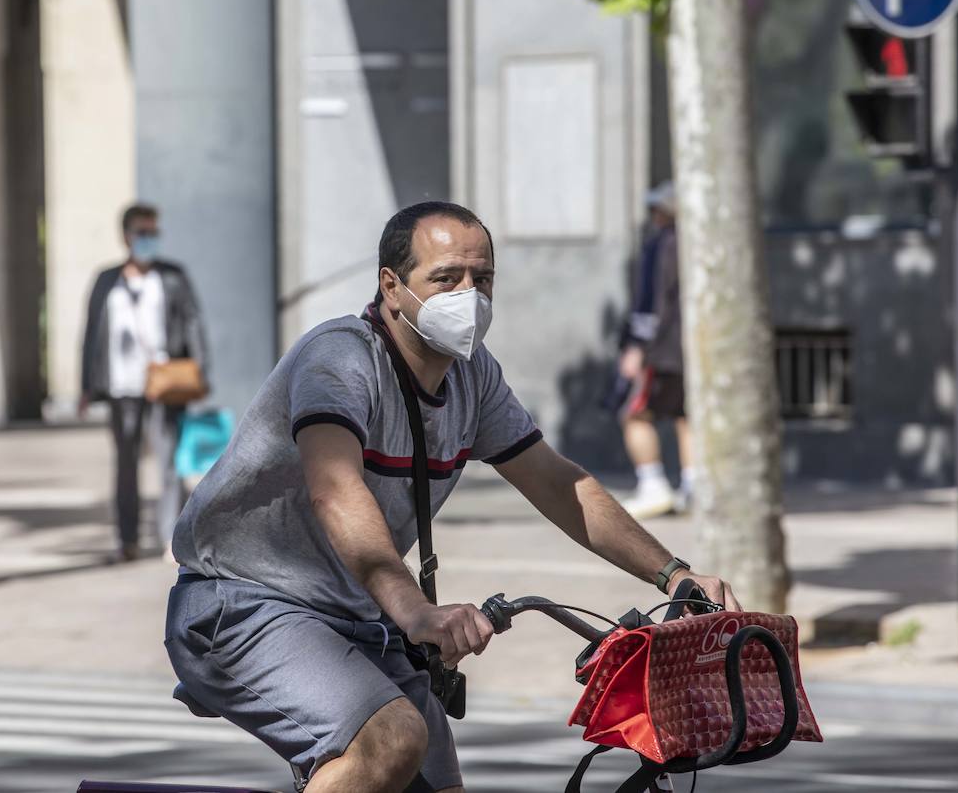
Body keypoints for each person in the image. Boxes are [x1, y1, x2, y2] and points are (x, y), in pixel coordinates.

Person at [165, 202, 740, 793]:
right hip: (241, 606)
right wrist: (416, 611)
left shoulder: (473, 376)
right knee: (391, 739)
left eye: (482, 278)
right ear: (392, 285)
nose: (469, 295)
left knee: (438, 785)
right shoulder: (338, 358)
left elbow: (556, 482)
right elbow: (335, 490)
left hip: (358, 620)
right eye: (446, 278)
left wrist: (673, 575)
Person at [79, 203, 208, 562]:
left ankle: (171, 537)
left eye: (154, 232)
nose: (149, 239)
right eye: (142, 232)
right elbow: (91, 334)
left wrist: (199, 371)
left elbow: (193, 322)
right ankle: (128, 539)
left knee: (168, 464)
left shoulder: (172, 276)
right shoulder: (107, 280)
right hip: (122, 388)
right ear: (126, 236)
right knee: (125, 466)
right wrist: (86, 386)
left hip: (163, 383)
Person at [618, 180, 696, 520]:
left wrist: (637, 346)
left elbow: (650, 302)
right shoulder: (698, 245)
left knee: (634, 414)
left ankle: (653, 485)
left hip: (662, 349)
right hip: (691, 347)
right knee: (686, 416)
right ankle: (695, 489)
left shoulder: (661, 245)